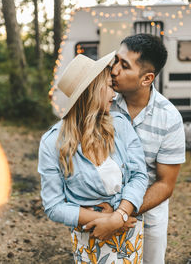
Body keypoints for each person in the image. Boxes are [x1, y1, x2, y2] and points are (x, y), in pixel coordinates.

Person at [38, 51, 148, 263]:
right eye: (108, 86)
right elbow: (54, 206)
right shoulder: (52, 143)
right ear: (91, 90)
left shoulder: (121, 125)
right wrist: (106, 219)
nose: (113, 94)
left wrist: (119, 216)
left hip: (129, 231)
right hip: (90, 236)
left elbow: (139, 176)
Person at [85, 34, 186, 264]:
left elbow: (165, 183)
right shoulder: (103, 105)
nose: (114, 70)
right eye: (116, 60)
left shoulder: (169, 119)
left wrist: (122, 213)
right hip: (101, 211)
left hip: (149, 216)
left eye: (125, 66)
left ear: (146, 78)